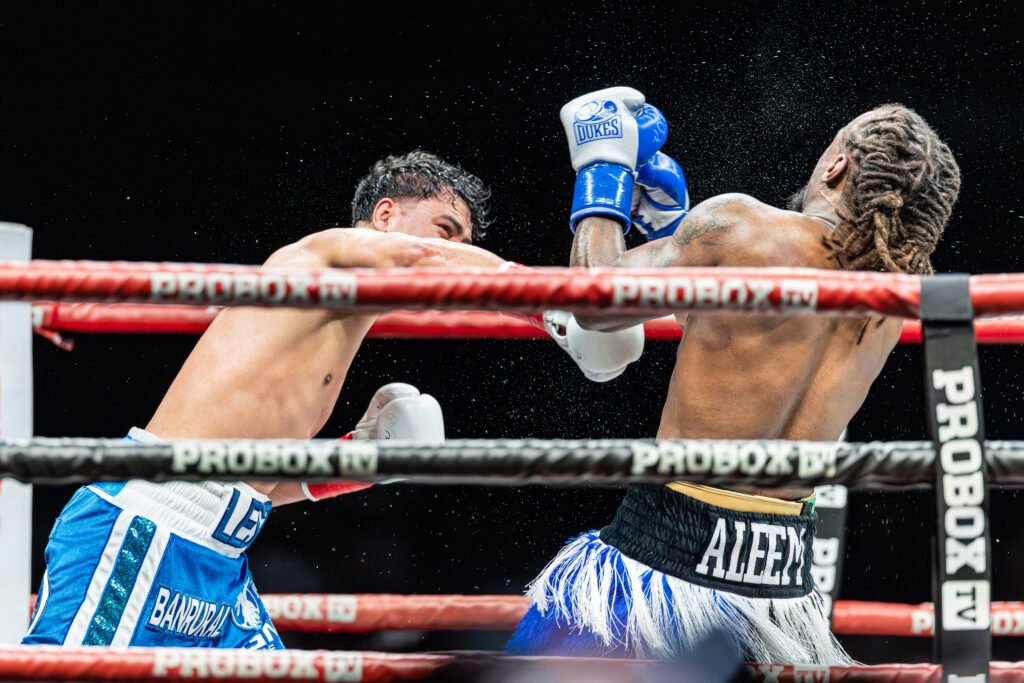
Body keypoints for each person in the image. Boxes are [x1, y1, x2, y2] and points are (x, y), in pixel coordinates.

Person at [508, 87, 961, 664]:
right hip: (782, 596)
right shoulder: (890, 301)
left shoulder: (741, 224)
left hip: (665, 562)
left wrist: (604, 169)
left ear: (838, 165)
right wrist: (673, 228)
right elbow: (734, 329)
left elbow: (596, 301)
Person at [23, 151, 509, 650]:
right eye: (445, 230)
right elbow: (428, 259)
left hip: (221, 561)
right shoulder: (320, 257)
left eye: (463, 244)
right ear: (385, 217)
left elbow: (253, 486)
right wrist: (553, 305)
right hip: (148, 529)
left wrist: (355, 462)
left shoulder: (343, 323)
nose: (454, 253)